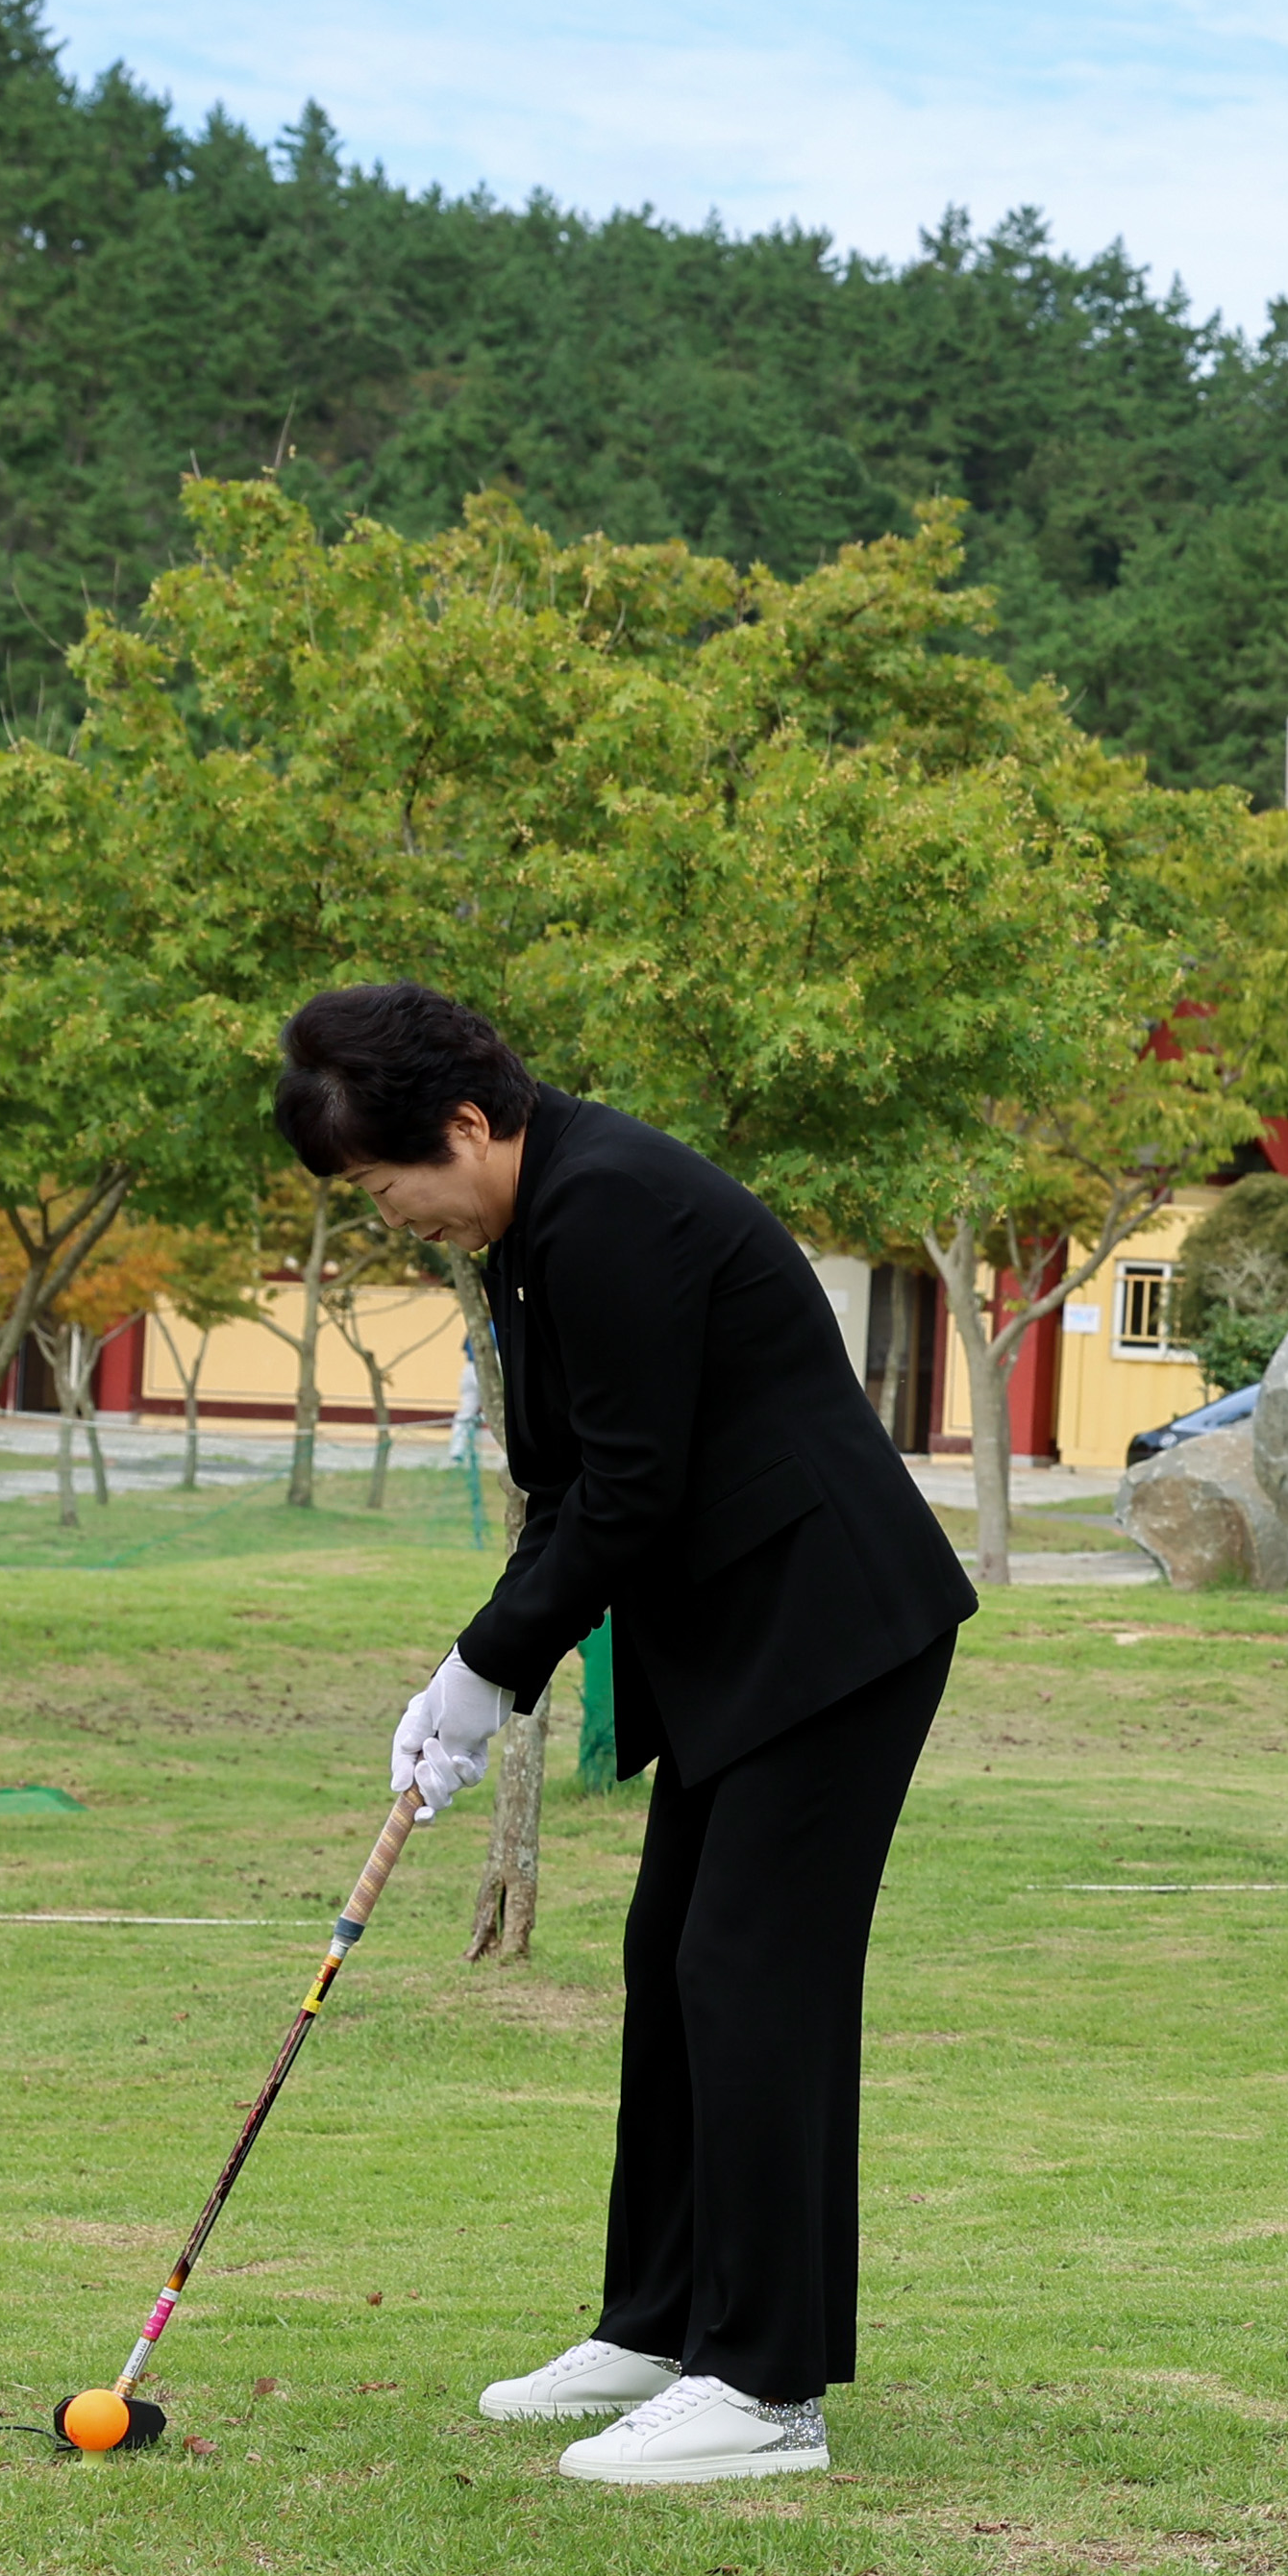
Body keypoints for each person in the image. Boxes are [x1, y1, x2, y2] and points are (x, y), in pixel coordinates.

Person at [276, 983, 974, 2489]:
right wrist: (469, 1677)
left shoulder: (607, 1209)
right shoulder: (538, 1228)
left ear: (466, 1125)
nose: (403, 1223)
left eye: (398, 1190)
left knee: (750, 1973)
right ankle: (663, 2327)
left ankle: (768, 2390)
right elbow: (574, 1484)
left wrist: (485, 1669)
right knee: (673, 1964)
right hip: (745, 1643)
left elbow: (632, 1492)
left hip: (831, 1630)